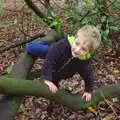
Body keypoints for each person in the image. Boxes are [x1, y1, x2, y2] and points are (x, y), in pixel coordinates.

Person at [26, 25, 101, 101]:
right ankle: (38, 44)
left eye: (83, 49)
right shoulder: (63, 45)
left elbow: (88, 76)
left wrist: (88, 91)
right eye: (77, 44)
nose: (77, 50)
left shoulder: (84, 62)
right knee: (31, 48)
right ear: (75, 38)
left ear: (89, 52)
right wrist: (47, 79)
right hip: (52, 52)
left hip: (59, 73)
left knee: (54, 86)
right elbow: (49, 60)